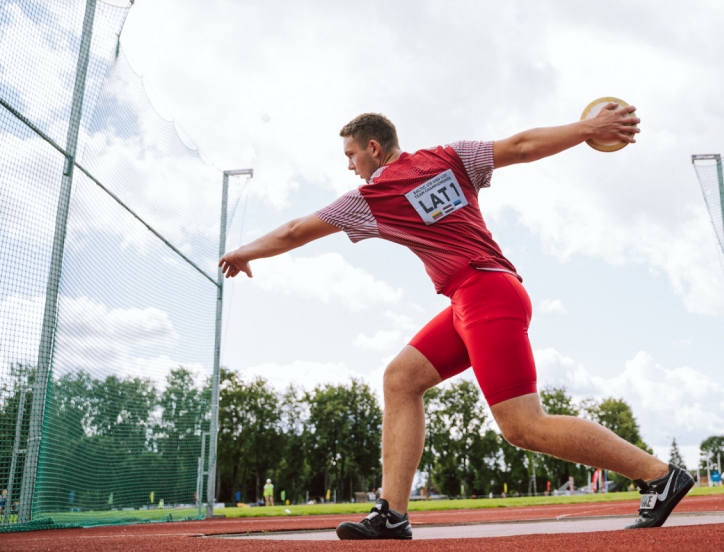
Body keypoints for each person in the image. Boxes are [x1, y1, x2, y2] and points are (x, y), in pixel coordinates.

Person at [219, 108, 693, 540]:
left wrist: (243, 252)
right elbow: (523, 145)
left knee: (523, 426)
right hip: (478, 297)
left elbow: (295, 230)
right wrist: (587, 129)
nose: (349, 166)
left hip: (485, 296)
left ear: (373, 150)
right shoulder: (450, 157)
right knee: (401, 379)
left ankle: (657, 474)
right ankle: (392, 513)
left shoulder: (373, 194)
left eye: (351, 155)